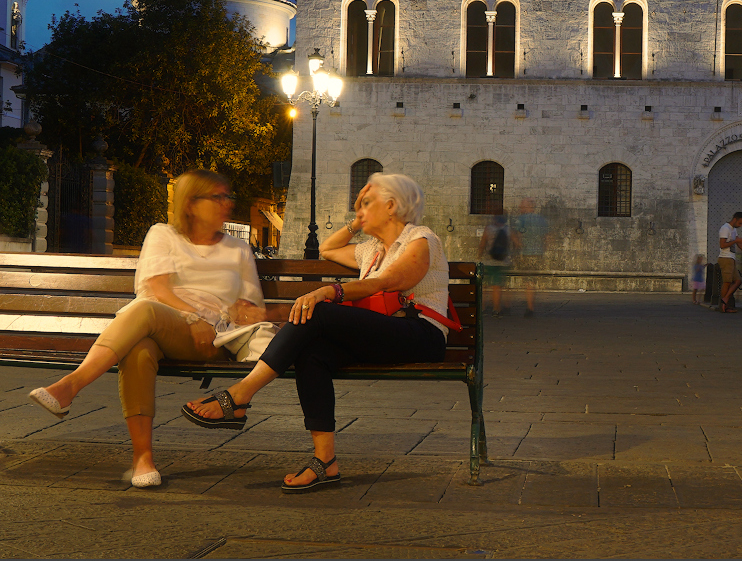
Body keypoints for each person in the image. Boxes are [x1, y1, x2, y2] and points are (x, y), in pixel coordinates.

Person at [181, 172, 455, 493]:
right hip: (382, 335)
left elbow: (388, 281)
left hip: (420, 334)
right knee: (312, 352)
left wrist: (329, 291)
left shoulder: (421, 239)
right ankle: (325, 462)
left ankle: (241, 394)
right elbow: (327, 248)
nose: (361, 209)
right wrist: (358, 219)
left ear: (392, 206)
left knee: (318, 310)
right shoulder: (371, 250)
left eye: (367, 203)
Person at [28, 170, 273, 489]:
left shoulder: (238, 249)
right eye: (218, 197)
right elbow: (158, 288)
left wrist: (234, 312)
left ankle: (70, 386)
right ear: (191, 204)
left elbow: (251, 306)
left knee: (142, 312)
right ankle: (142, 458)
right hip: (166, 321)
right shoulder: (163, 234)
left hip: (210, 336)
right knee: (139, 348)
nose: (227, 204)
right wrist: (190, 316)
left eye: (229, 196)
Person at [511, 199, 547, 317]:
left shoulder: (521, 219)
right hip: (538, 253)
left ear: (529, 207)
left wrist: (519, 244)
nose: (520, 209)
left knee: (528, 281)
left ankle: (529, 306)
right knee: (531, 280)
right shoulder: (541, 220)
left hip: (526, 253)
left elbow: (514, 233)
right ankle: (530, 304)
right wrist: (543, 248)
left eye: (522, 207)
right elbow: (547, 237)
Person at [478, 209, 512, 315]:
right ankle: (496, 309)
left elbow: (483, 244)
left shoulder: (488, 229)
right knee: (497, 286)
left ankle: (482, 307)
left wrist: (479, 256)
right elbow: (514, 244)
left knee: (484, 286)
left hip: (489, 261)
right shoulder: (508, 230)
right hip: (503, 262)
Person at [714, 212, 742, 312]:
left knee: (737, 281)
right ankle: (723, 305)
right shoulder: (725, 228)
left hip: (731, 258)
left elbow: (738, 243)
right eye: (740, 223)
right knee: (727, 282)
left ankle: (725, 300)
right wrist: (735, 241)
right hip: (725, 258)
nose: (740, 225)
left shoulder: (733, 230)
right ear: (735, 219)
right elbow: (722, 245)